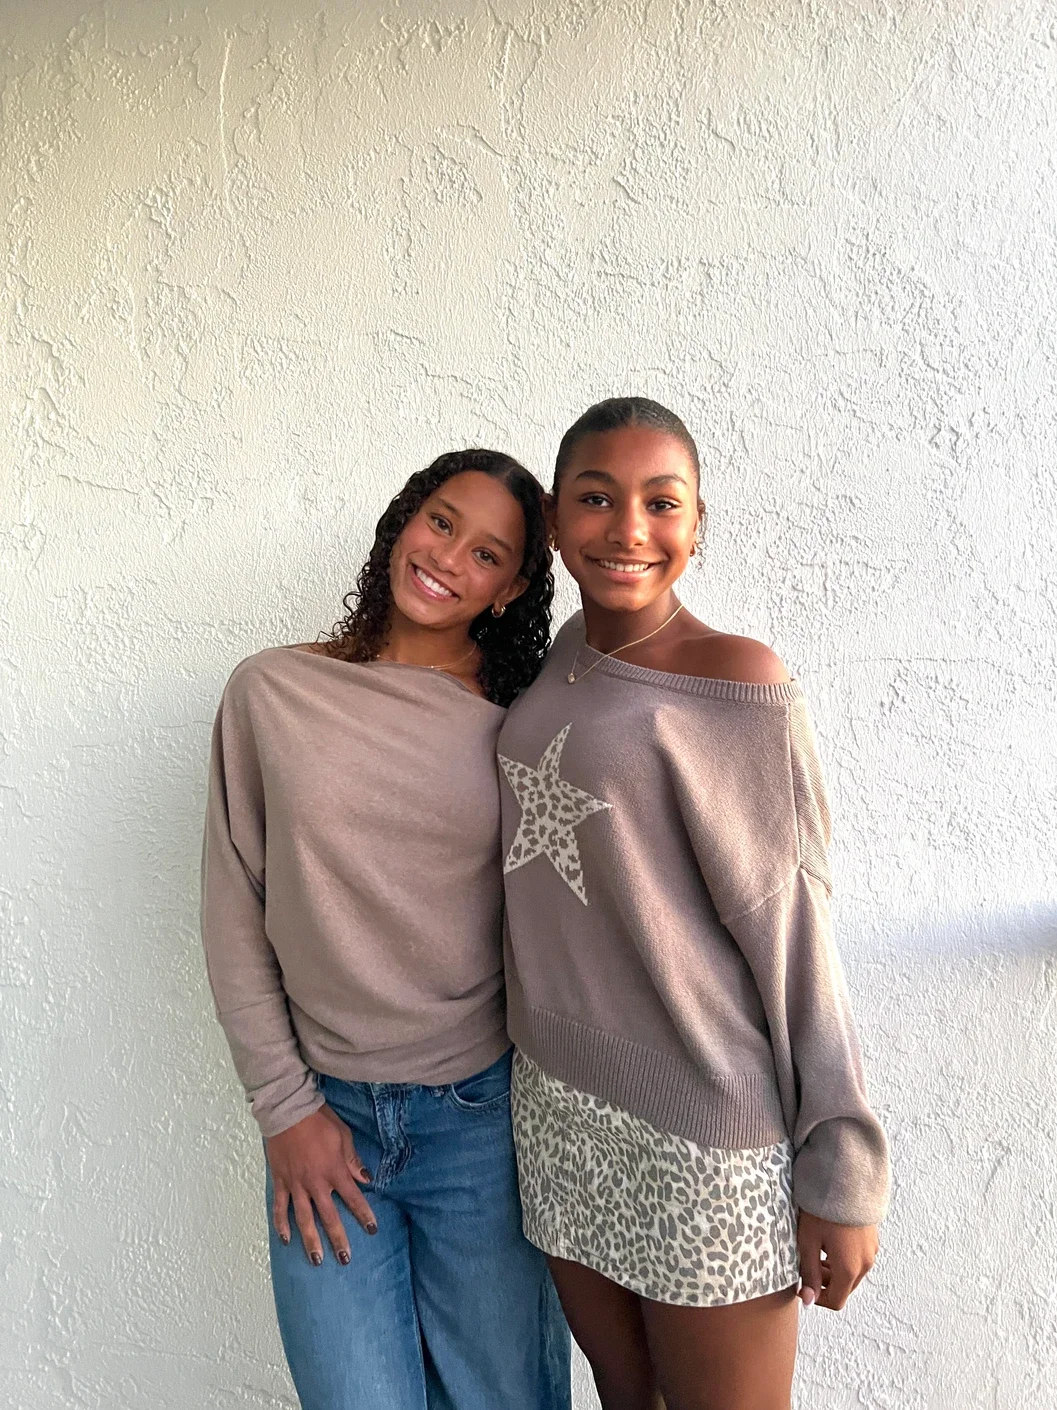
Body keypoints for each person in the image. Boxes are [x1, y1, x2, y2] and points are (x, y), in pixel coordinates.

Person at [498, 399, 890, 1410]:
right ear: (555, 521)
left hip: (703, 1129)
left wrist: (842, 1168)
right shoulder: (563, 654)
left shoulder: (736, 679)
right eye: (596, 498)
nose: (628, 528)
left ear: (696, 522)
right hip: (558, 1109)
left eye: (660, 502)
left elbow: (792, 930)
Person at [201, 449, 571, 1410]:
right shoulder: (270, 692)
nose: (448, 557)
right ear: (404, 519)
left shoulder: (521, 725)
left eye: (487, 553)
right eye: (441, 522)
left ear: (510, 589)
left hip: (482, 1126)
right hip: (324, 1119)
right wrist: (285, 1112)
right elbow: (234, 909)